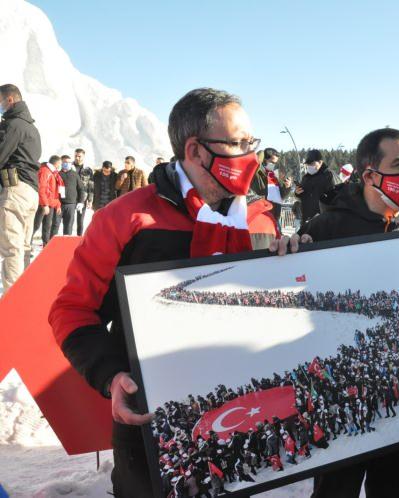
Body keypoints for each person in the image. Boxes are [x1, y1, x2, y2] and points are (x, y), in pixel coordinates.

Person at [48, 88, 306, 497]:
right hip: (154, 416)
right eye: (237, 143)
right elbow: (72, 310)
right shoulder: (128, 217)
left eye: (250, 142)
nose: (250, 154)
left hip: (243, 408)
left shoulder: (261, 218)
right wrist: (113, 377)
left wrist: (296, 264)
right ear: (196, 150)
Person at [300, 127, 399, 498]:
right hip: (341, 392)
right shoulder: (326, 227)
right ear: (369, 175)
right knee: (335, 490)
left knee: (394, 488)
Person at [0, 83, 41, 290]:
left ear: (9, 100)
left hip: (15, 191)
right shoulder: (31, 127)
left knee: (11, 249)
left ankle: (11, 301)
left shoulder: (13, 125)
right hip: (31, 192)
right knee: (24, 247)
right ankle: (23, 295)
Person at [251, 147, 292, 220]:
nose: (274, 164)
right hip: (262, 213)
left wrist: (287, 187)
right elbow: (255, 161)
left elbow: (282, 196)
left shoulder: (275, 174)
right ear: (264, 159)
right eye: (272, 162)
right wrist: (262, 153)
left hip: (275, 214)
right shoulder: (258, 172)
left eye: (275, 163)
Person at [295, 149, 335, 223]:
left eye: (312, 164)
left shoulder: (328, 175)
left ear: (320, 162)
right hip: (306, 218)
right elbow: (304, 195)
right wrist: (297, 192)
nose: (309, 166)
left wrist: (323, 213)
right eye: (308, 164)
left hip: (322, 219)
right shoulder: (306, 177)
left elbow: (334, 197)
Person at [33, 155, 63, 246]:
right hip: (43, 204)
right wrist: (45, 204)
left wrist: (57, 205)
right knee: (36, 225)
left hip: (50, 204)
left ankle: (46, 245)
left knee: (47, 226)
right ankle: (27, 245)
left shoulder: (54, 173)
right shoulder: (45, 171)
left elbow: (55, 192)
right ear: (57, 163)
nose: (61, 165)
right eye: (60, 163)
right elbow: (41, 188)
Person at [58, 155, 85, 235]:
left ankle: (66, 244)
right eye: (65, 162)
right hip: (58, 204)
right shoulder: (57, 174)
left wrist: (81, 202)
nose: (67, 164)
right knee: (55, 225)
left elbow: (81, 189)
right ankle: (50, 244)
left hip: (71, 205)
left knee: (68, 226)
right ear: (61, 162)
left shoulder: (75, 174)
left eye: (69, 162)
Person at [72, 148, 93, 236]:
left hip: (82, 198)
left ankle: (79, 238)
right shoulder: (70, 167)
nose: (77, 158)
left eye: (79, 156)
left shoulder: (88, 169)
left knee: (80, 221)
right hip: (71, 197)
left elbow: (91, 185)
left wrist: (90, 199)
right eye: (76, 156)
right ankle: (67, 239)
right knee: (69, 220)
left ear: (83, 157)